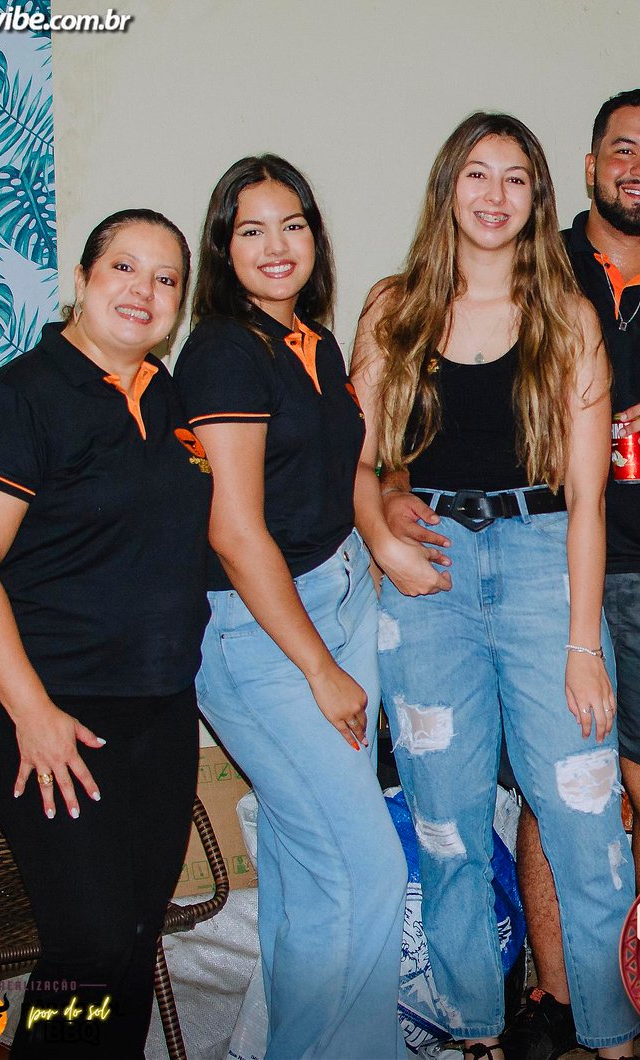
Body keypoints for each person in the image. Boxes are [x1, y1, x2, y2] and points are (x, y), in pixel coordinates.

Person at [381, 90, 640, 1060]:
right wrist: (387, 502)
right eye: (624, 150)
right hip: (505, 569)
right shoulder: (512, 270)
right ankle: (550, 1006)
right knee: (523, 800)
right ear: (591, 165)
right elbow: (376, 441)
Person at [355, 112, 637, 1060]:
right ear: (449, 187)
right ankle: (475, 1032)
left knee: (586, 823)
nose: (494, 194)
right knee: (448, 828)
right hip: (427, 569)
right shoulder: (393, 309)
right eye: (477, 174)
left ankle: (613, 1036)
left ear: (538, 199)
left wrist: (582, 646)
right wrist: (382, 535)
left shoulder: (569, 316)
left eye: (515, 178)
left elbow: (590, 499)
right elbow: (353, 461)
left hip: (545, 566)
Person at [0, 210, 209, 1056]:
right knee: (88, 947)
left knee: (133, 935)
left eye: (165, 279)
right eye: (124, 268)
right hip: (52, 713)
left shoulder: (169, 398)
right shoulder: (18, 399)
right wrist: (33, 713)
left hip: (159, 712)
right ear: (83, 280)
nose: (143, 291)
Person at [173, 156, 408, 1057]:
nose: (277, 246)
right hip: (264, 632)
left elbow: (340, 471)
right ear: (223, 248)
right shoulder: (224, 351)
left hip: (339, 597)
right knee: (366, 867)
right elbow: (235, 532)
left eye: (293, 225)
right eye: (252, 229)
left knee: (309, 871)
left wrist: (381, 532)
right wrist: (320, 667)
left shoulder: (311, 340)